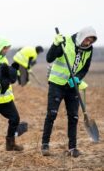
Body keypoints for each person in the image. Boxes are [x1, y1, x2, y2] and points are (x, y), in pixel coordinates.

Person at [41, 26, 97, 157]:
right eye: (87, 39)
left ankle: (72, 148)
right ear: (82, 36)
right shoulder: (65, 41)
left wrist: (78, 77)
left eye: (91, 41)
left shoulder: (89, 50)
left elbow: (85, 68)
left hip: (72, 86)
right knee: (52, 114)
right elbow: (49, 58)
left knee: (74, 116)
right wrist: (55, 45)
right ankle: (45, 144)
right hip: (57, 84)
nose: (88, 43)